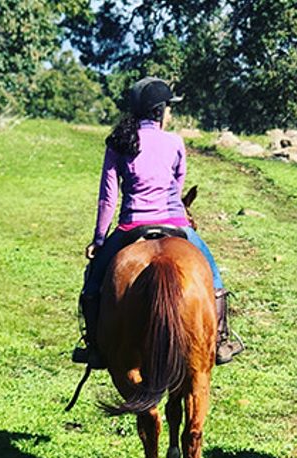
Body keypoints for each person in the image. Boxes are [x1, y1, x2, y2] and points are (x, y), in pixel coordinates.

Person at [72, 77, 244, 368]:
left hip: (131, 226)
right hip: (176, 223)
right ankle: (220, 339)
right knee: (214, 278)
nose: (171, 114)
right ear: (160, 110)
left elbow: (107, 198)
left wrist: (99, 240)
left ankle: (94, 346)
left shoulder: (118, 143)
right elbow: (177, 189)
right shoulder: (175, 142)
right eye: (169, 109)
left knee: (93, 283)